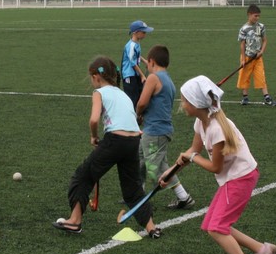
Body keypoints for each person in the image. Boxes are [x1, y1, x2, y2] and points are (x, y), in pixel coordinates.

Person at [174, 75, 276, 254]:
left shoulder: (217, 129)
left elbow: (215, 167)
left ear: (195, 104)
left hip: (240, 178)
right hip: (234, 177)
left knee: (217, 228)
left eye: (184, 100)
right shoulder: (201, 122)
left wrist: (192, 158)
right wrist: (174, 169)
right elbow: (194, 150)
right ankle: (262, 249)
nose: (182, 104)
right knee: (211, 224)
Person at [54, 56, 161, 238]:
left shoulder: (99, 93)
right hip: (133, 140)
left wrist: (94, 136)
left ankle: (74, 221)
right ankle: (152, 228)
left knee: (83, 176)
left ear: (96, 77)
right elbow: (132, 120)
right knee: (133, 188)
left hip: (115, 140)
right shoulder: (123, 94)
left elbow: (94, 119)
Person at [136, 45, 195, 210]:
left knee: (157, 167)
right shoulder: (168, 79)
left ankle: (184, 197)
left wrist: (137, 115)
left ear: (152, 61)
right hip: (159, 129)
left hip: (154, 130)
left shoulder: (153, 78)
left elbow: (142, 102)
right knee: (140, 159)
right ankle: (138, 193)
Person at [237, 4, 276, 106]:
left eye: (259, 16)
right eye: (255, 16)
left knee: (261, 76)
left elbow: (264, 40)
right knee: (244, 76)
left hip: (258, 58)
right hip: (246, 57)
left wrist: (262, 51)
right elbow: (242, 44)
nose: (257, 18)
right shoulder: (244, 29)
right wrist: (243, 59)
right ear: (249, 15)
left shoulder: (261, 27)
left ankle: (267, 98)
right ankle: (245, 97)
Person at [121, 19, 152, 109]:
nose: (145, 34)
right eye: (143, 32)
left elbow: (136, 56)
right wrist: (142, 75)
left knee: (139, 95)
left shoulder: (136, 43)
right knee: (132, 99)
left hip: (135, 74)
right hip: (129, 76)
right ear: (136, 32)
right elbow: (133, 63)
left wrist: (145, 61)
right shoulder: (131, 46)